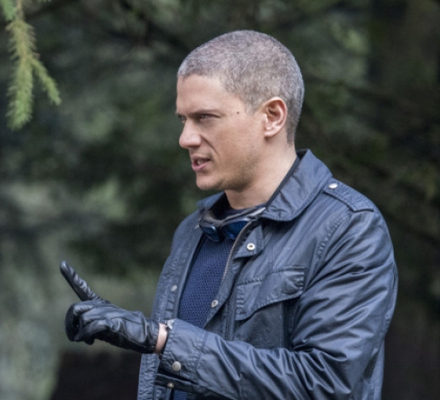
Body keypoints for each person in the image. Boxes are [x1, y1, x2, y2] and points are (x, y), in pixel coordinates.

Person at [61, 30, 398, 399]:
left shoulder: (348, 227)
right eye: (183, 120)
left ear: (272, 117)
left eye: (205, 117)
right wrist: (146, 338)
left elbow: (325, 385)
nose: (186, 138)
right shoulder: (193, 232)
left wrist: (162, 340)